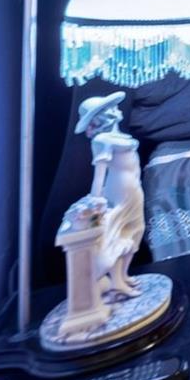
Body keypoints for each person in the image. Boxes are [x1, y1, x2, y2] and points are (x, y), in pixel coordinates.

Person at [74, 91, 145, 298]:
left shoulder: (116, 136)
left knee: (135, 231)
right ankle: (116, 282)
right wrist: (95, 200)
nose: (116, 110)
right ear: (100, 116)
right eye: (110, 108)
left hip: (133, 189)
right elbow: (100, 174)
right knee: (118, 235)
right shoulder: (102, 140)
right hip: (119, 190)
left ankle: (122, 276)